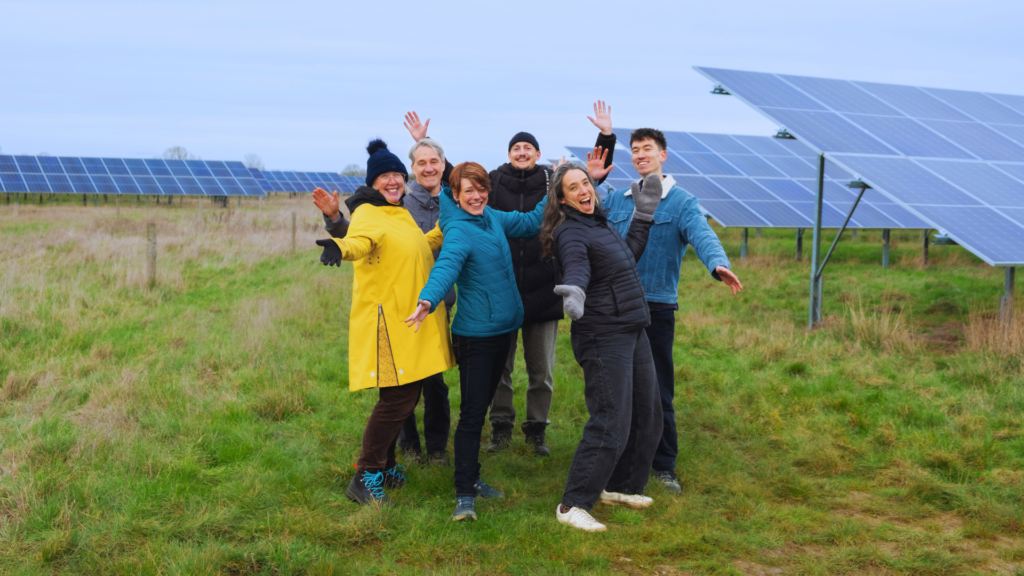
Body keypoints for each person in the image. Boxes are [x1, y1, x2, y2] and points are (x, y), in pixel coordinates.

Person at [404, 102, 618, 457]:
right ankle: (498, 429)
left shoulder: (528, 195)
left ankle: (536, 430)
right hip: (494, 304)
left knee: (541, 372)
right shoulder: (482, 196)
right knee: (496, 375)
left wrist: (582, 176)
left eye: (528, 147)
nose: (476, 196)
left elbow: (538, 216)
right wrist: (429, 297)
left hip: (540, 293)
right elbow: (457, 187)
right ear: (507, 154)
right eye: (516, 147)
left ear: (538, 153)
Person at [313, 139, 454, 506]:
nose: (393, 182)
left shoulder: (398, 211)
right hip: (387, 325)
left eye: (397, 176)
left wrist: (443, 230)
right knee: (397, 400)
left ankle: (386, 465)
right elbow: (360, 242)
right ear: (373, 183)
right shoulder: (369, 214)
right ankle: (366, 476)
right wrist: (339, 247)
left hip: (408, 322)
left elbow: (415, 246)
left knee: (403, 397)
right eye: (385, 177)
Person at [603, 128, 743, 494]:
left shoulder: (681, 202)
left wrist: (717, 264)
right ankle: (619, 458)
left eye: (647, 149)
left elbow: (702, 234)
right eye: (635, 150)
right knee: (618, 389)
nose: (639, 155)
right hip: (616, 308)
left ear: (663, 155)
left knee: (658, 390)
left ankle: (663, 465)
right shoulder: (618, 200)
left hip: (655, 309)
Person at [404, 162, 546, 522]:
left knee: (480, 410)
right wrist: (428, 299)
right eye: (469, 190)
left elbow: (530, 222)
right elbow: (446, 266)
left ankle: (474, 477)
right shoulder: (457, 229)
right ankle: (465, 495)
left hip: (504, 330)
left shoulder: (493, 217)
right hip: (476, 338)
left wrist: (557, 188)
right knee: (471, 416)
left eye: (481, 188)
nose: (477, 195)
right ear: (455, 195)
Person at [539, 163, 664, 532]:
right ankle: (572, 504)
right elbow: (576, 266)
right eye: (573, 187)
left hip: (631, 328)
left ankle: (620, 486)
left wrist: (643, 216)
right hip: (602, 335)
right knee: (611, 421)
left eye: (586, 183)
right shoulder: (570, 232)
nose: (583, 190)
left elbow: (626, 257)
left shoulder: (599, 224)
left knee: (647, 414)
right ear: (561, 199)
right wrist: (574, 290)